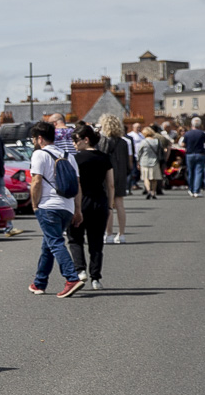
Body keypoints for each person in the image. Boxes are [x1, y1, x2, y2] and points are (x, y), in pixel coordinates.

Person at [27, 122, 83, 298]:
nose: (34, 142)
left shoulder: (39, 154)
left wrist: (35, 205)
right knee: (48, 244)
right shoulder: (69, 155)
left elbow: (36, 181)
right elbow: (78, 185)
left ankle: (71, 278)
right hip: (67, 206)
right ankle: (39, 282)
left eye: (34, 139)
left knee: (55, 242)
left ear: (40, 138)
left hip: (48, 205)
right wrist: (77, 209)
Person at [66, 123, 115, 291]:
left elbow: (75, 184)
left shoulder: (75, 159)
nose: (74, 144)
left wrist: (75, 207)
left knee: (75, 238)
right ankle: (96, 278)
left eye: (75, 140)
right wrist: (110, 206)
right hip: (100, 202)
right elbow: (111, 185)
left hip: (80, 202)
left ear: (85, 140)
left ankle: (80, 270)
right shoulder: (104, 158)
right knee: (96, 243)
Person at [98, 113, 132, 242]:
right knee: (120, 205)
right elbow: (127, 161)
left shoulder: (103, 140)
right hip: (121, 174)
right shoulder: (124, 142)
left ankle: (109, 234)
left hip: (107, 174)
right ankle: (122, 234)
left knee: (108, 205)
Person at [181, 117, 205, 197]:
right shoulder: (202, 133)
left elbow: (183, 144)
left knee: (190, 172)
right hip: (200, 154)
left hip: (190, 154)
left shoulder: (187, 134)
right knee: (199, 172)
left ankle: (191, 189)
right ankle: (196, 191)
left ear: (191, 124)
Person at [137, 125, 164, 199]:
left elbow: (139, 152)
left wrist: (138, 161)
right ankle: (153, 192)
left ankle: (148, 190)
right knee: (154, 178)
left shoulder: (143, 142)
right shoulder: (157, 141)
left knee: (146, 177)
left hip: (144, 161)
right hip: (155, 161)